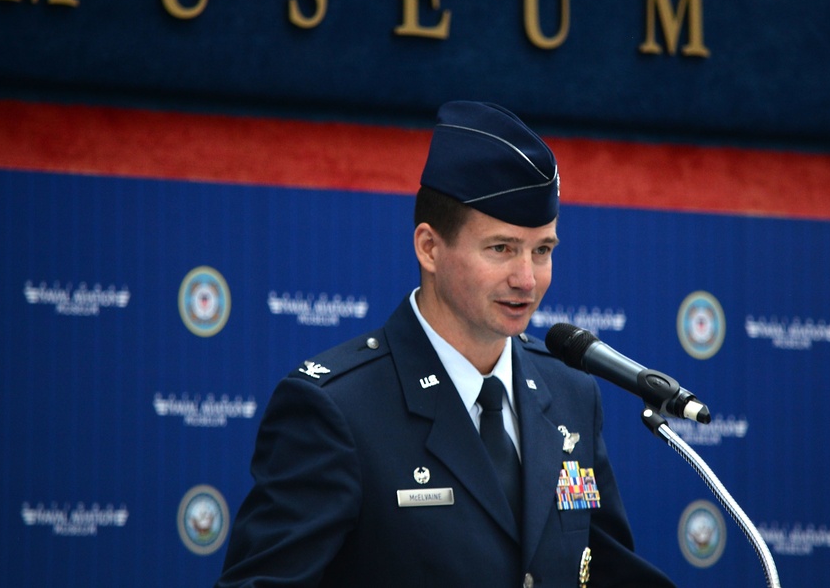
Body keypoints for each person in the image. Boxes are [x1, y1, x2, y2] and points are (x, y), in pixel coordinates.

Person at [215, 101, 676, 588]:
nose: (527, 279)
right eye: (501, 248)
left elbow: (608, 572)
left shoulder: (569, 393)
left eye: (542, 250)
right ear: (429, 248)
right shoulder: (337, 410)